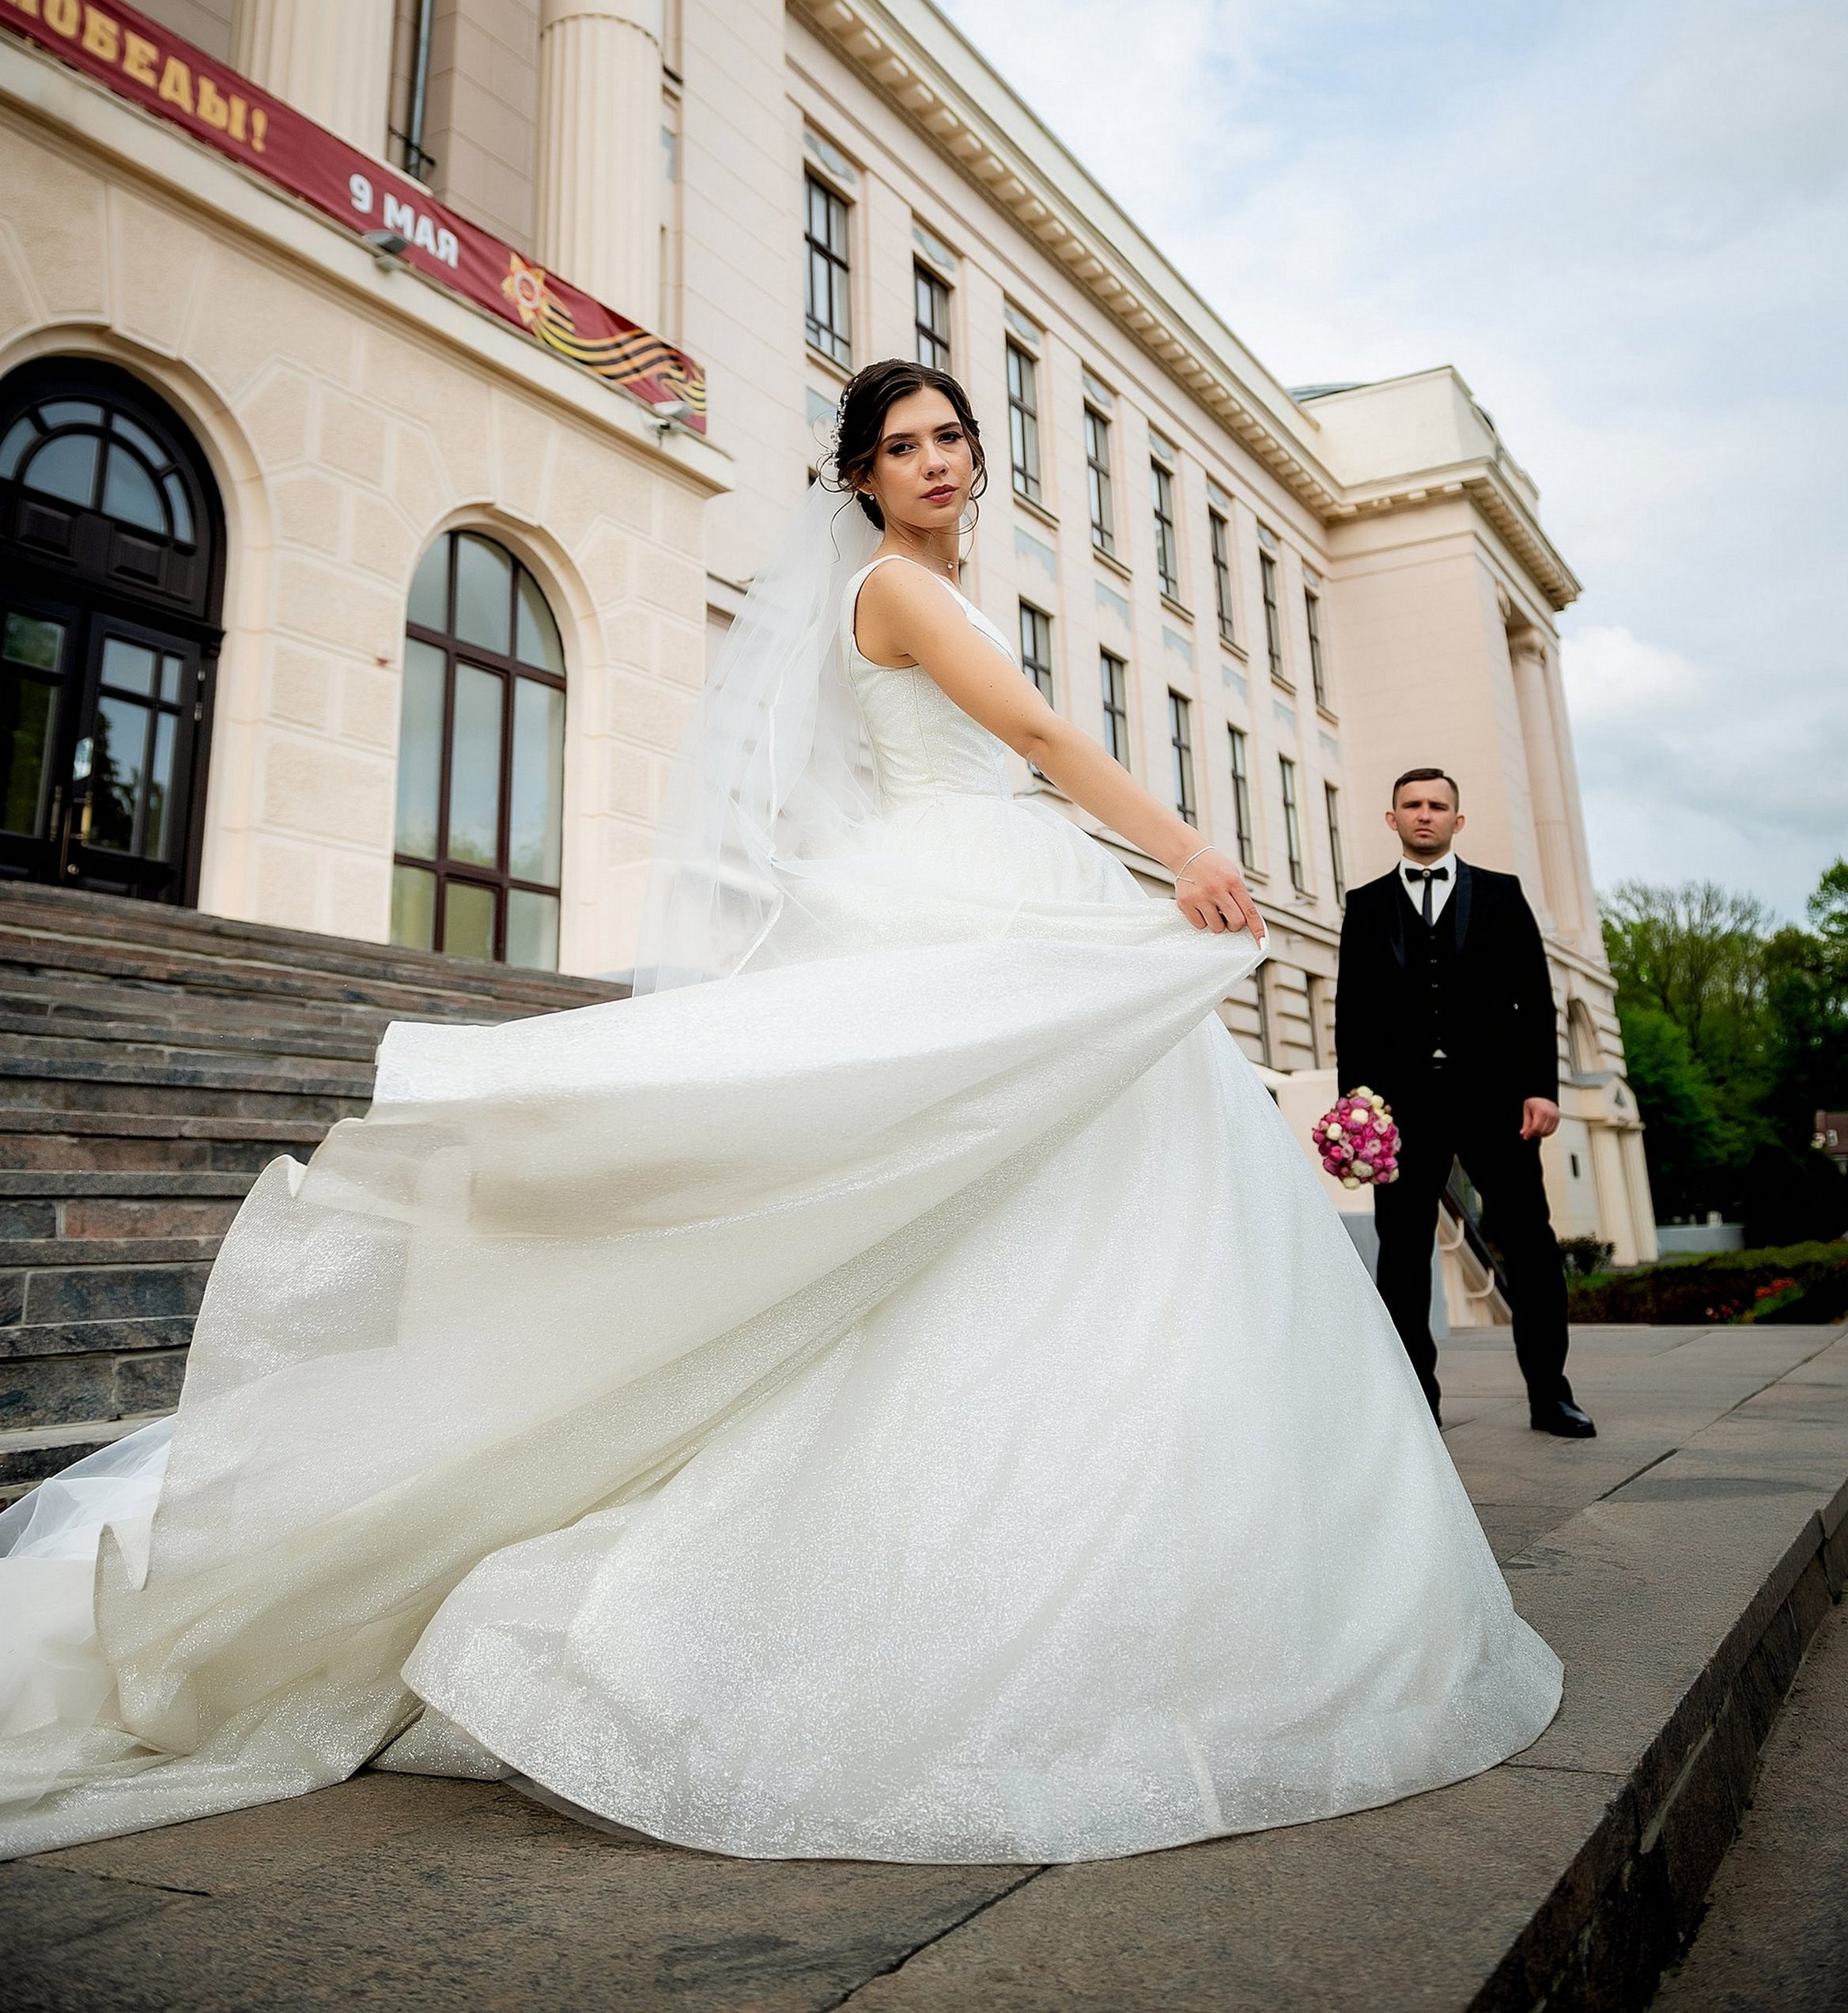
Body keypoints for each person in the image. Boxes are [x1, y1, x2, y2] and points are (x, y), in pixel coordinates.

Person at [0, 364, 1561, 1865]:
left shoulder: (944, 591)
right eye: (904, 445)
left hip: (1000, 887)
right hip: (963, 891)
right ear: (863, 480)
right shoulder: (893, 587)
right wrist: (1192, 855)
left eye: (952, 436)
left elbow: (1018, 743)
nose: (938, 460)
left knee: (1067, 1204)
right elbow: (1032, 739)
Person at [1335, 768, 1596, 1440]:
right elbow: (1352, 1016)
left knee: (1531, 1249)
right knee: (1400, 1257)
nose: (1425, 815)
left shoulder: (1504, 896)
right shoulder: (1363, 905)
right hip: (1400, 1112)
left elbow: (1535, 1000)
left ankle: (1550, 1395)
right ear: (1391, 818)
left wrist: (1542, 1087)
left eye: (1438, 805)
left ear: (1458, 818)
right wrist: (1354, 1113)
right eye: (1412, 806)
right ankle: (1416, 1404)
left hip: (1496, 1104)